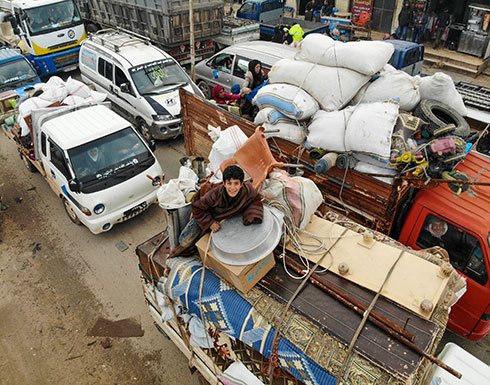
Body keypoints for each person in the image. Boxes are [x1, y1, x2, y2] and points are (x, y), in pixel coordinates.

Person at [169, 165, 264, 258]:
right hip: (206, 213)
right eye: (229, 183)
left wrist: (251, 215)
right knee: (188, 240)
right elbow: (198, 208)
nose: (232, 188)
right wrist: (210, 222)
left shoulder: (248, 191)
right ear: (224, 183)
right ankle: (176, 253)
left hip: (224, 217)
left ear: (241, 184)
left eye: (236, 183)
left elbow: (255, 200)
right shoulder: (213, 194)